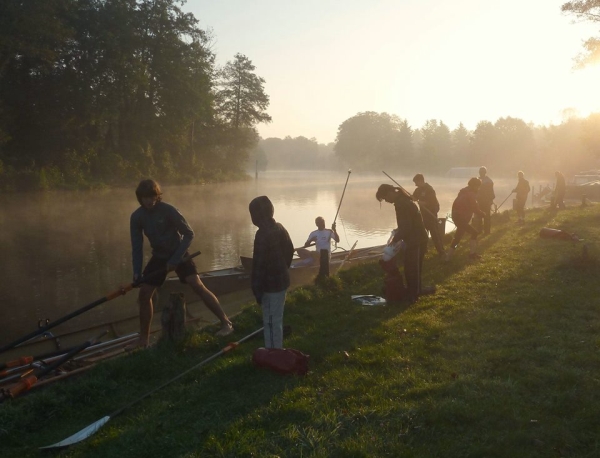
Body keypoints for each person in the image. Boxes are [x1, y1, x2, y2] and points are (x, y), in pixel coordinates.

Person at [130, 179, 233, 349]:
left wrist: (175, 259)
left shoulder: (169, 210)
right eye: (144, 197)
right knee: (144, 294)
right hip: (159, 256)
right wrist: (136, 273)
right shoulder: (137, 217)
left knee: (196, 284)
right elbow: (137, 247)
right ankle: (143, 339)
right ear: (139, 198)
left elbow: (189, 234)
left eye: (151, 196)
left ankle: (226, 322)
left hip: (179, 252)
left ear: (157, 196)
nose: (148, 200)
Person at [249, 196, 295, 349]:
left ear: (256, 216)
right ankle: (276, 350)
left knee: (269, 321)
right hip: (282, 282)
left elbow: (258, 265)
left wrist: (257, 290)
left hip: (269, 287)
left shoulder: (262, 235)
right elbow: (290, 250)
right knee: (277, 318)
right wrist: (283, 268)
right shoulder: (280, 227)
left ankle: (273, 353)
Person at [376, 184, 428, 304]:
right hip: (420, 236)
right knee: (416, 267)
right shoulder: (405, 199)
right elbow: (407, 224)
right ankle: (416, 291)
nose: (387, 201)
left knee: (411, 268)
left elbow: (406, 227)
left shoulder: (401, 204)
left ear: (390, 192)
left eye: (385, 197)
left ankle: (412, 297)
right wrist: (398, 232)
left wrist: (395, 239)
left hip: (414, 238)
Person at [447, 178, 485, 261]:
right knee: (474, 233)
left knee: (458, 236)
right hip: (461, 218)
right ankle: (472, 254)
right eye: (477, 186)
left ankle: (448, 256)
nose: (478, 188)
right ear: (474, 185)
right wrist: (483, 214)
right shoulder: (470, 194)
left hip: (456, 216)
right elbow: (474, 207)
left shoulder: (463, 192)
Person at [412, 174, 445, 256]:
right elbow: (413, 198)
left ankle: (441, 251)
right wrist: (410, 196)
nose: (415, 184)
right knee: (422, 231)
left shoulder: (429, 189)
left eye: (416, 182)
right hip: (423, 213)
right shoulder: (418, 190)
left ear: (420, 180)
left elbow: (433, 203)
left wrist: (424, 203)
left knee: (434, 233)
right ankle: (424, 250)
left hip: (431, 212)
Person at [475, 166, 495, 235]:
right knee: (479, 216)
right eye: (480, 172)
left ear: (485, 172)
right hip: (479, 201)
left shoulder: (489, 181)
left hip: (486, 201)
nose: (481, 173)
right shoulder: (477, 180)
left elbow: (491, 192)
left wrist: (491, 199)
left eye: (482, 172)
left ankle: (487, 231)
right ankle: (479, 230)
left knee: (486, 216)